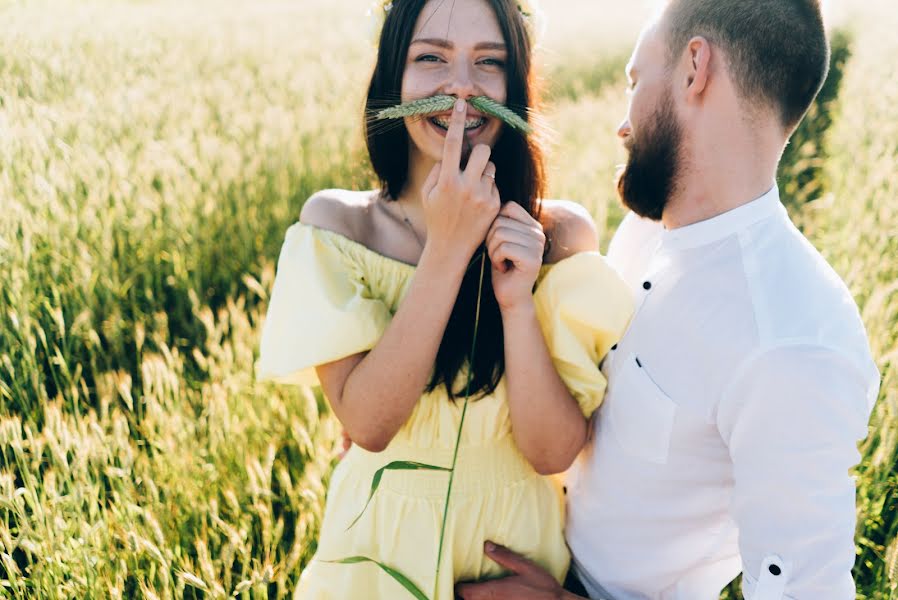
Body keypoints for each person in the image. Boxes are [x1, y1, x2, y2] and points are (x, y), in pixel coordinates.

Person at [456, 1, 881, 599]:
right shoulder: (648, 231)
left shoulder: (792, 341)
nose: (621, 123)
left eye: (635, 80)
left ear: (694, 68)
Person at [256, 0, 633, 598]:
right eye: (430, 58)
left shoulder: (559, 238)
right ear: (392, 81)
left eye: (490, 63)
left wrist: (516, 304)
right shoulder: (337, 228)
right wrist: (449, 249)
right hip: (376, 558)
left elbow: (552, 451)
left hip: (511, 564)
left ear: (514, 89)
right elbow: (370, 425)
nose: (461, 88)